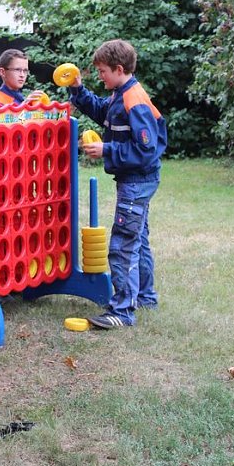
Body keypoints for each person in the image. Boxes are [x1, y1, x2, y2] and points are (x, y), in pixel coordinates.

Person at [63, 39, 167, 329]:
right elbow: (102, 112)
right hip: (135, 180)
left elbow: (146, 150)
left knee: (122, 245)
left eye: (103, 72)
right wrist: (77, 90)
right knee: (138, 240)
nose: (100, 77)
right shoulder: (121, 94)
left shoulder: (134, 100)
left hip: (137, 181)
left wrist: (107, 150)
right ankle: (145, 296)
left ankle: (122, 311)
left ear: (119, 69)